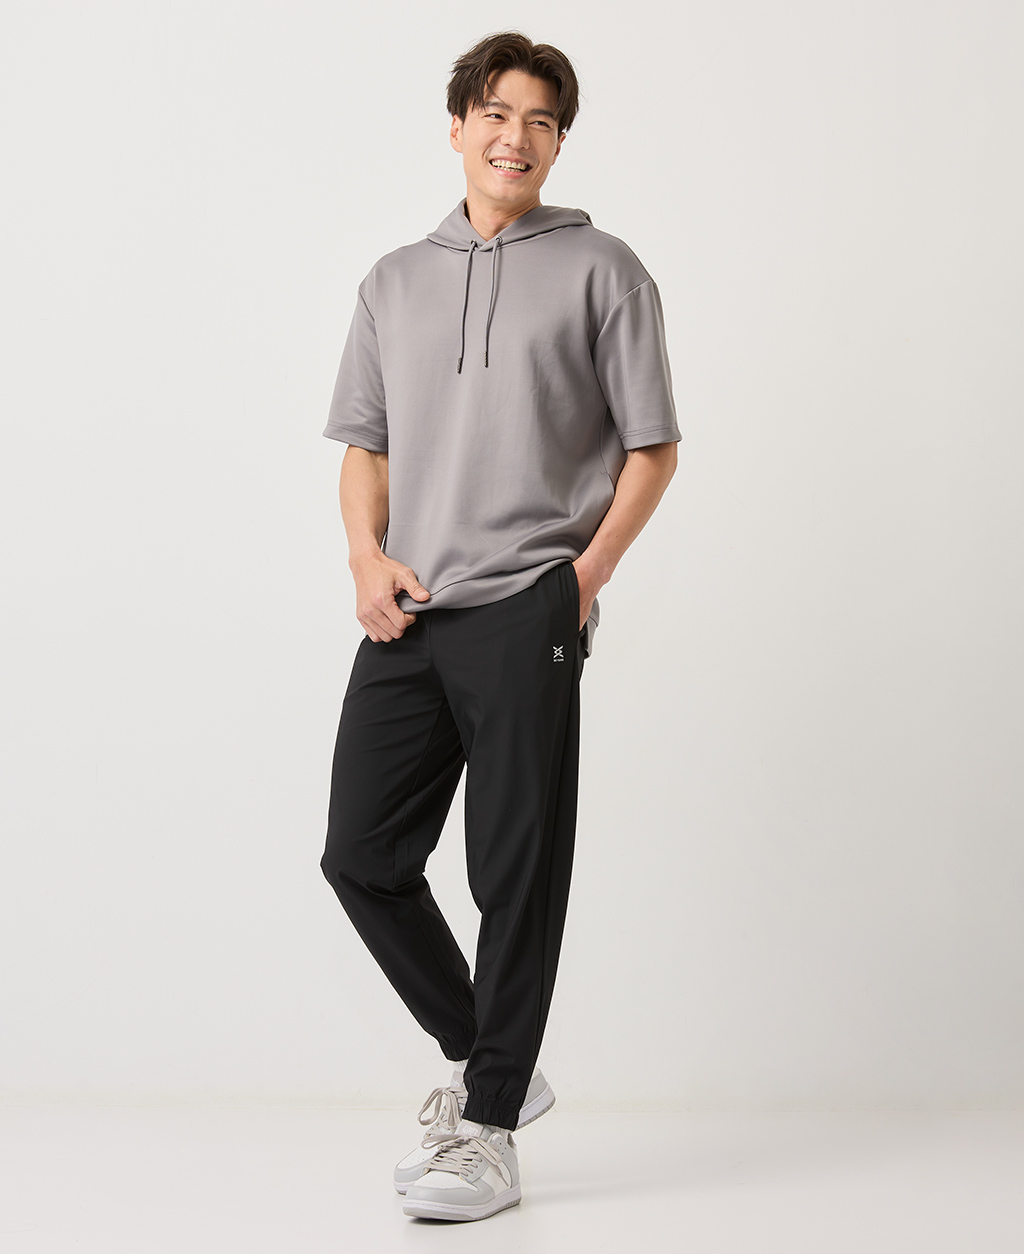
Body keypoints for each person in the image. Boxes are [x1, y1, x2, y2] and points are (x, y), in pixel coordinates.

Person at [319, 30, 680, 1224]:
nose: (513, 136)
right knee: (362, 855)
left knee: (511, 871)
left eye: (539, 120)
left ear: (558, 142)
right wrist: (365, 558)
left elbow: (652, 446)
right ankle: (497, 1066)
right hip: (411, 609)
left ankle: (486, 1129)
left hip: (529, 602)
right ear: (457, 125)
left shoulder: (603, 270)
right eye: (494, 112)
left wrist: (584, 576)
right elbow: (365, 446)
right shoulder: (392, 280)